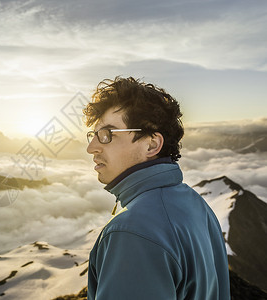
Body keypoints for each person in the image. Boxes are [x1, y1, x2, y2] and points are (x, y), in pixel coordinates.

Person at [84, 76, 230, 299]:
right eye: (93, 135)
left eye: (107, 135)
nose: (91, 147)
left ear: (152, 144)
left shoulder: (131, 232)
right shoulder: (195, 203)